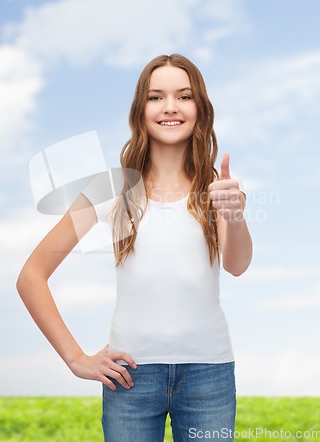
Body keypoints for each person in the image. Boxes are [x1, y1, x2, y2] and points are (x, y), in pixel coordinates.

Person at [17, 54, 253, 441]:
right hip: (130, 376)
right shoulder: (110, 188)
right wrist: (76, 358)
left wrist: (236, 214)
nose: (170, 107)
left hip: (208, 372)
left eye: (184, 96)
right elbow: (31, 276)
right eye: (156, 97)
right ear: (140, 110)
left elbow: (237, 265)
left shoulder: (218, 185)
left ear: (200, 109)